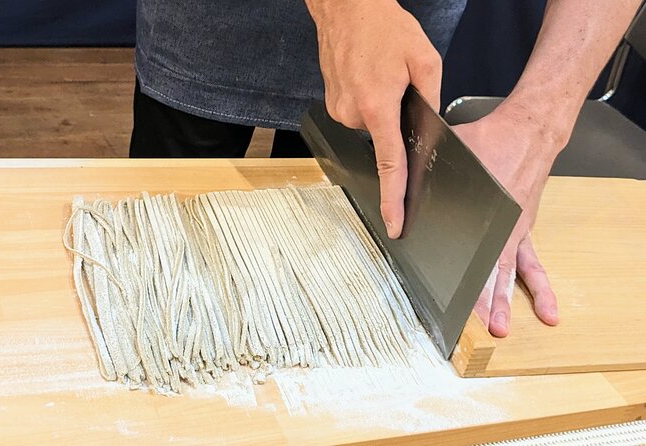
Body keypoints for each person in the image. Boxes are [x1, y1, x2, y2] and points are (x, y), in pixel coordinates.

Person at [130, 0, 642, 337]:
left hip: (402, 37)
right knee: (157, 269)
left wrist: (540, 124)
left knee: (337, 257)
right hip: (210, 21)